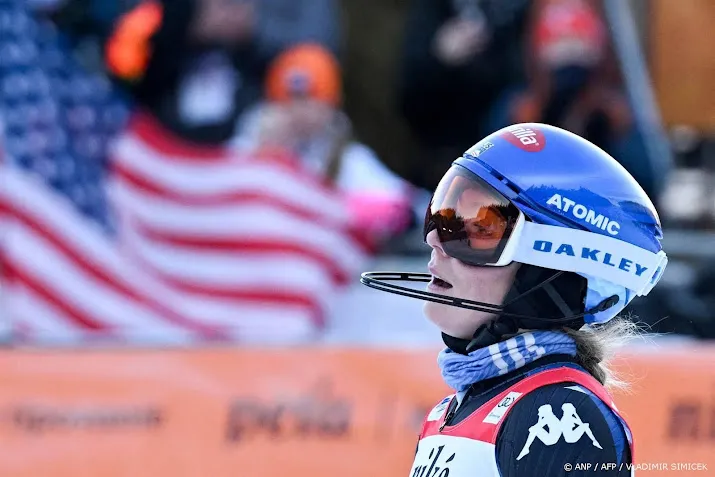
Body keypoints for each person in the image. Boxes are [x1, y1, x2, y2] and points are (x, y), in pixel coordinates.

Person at [360, 123, 668, 476]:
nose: (435, 240)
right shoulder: (451, 411)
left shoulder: (558, 415)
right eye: (442, 213)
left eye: (478, 228)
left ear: (547, 270)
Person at [233, 43, 429, 250]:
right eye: (290, 99)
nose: (299, 110)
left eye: (310, 100)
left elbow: (410, 205)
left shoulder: (344, 157)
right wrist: (265, 152)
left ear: (331, 105)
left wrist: (347, 208)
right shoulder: (245, 147)